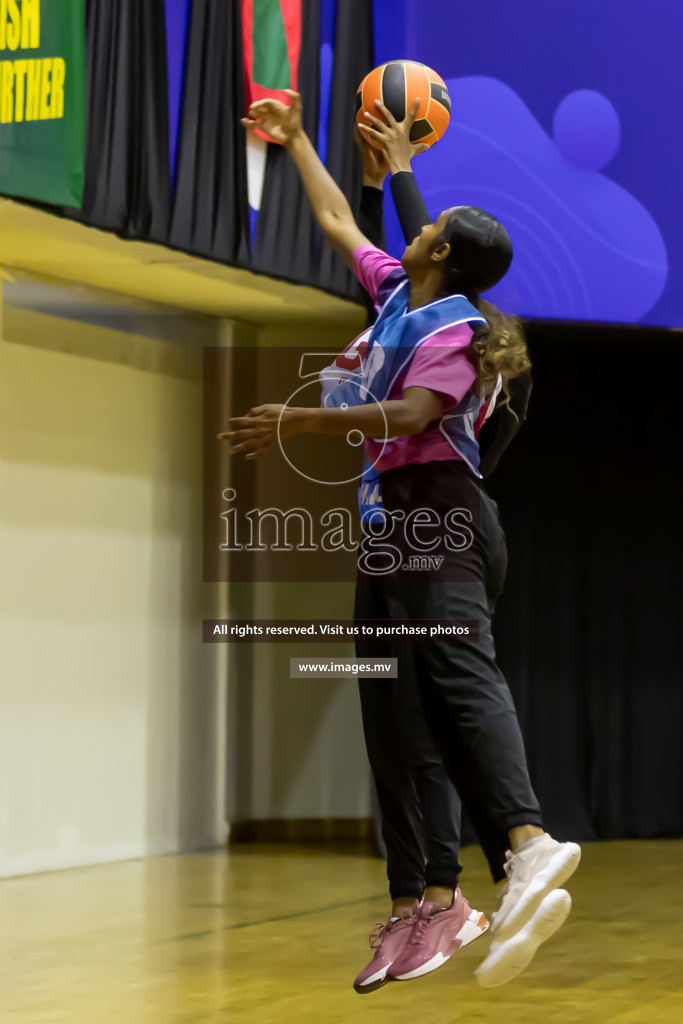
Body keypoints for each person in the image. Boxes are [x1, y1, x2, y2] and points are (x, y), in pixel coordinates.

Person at [221, 89, 581, 991]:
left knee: (459, 679)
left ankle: (528, 843)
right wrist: (297, 139)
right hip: (391, 528)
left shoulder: (454, 325)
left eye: (426, 226)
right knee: (393, 719)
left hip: (443, 514)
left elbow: (419, 412)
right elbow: (341, 216)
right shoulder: (395, 294)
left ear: (442, 252)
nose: (410, 228)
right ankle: (431, 899)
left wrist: (302, 424)